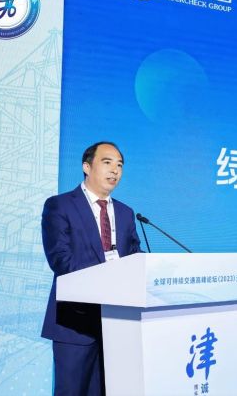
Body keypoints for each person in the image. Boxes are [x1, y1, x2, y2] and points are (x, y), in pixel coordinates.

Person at [41, 141, 141, 395]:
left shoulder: (126, 213)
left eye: (120, 165)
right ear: (87, 167)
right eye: (107, 162)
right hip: (75, 323)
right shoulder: (60, 205)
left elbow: (135, 257)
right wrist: (109, 275)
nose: (115, 170)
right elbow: (60, 260)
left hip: (118, 323)